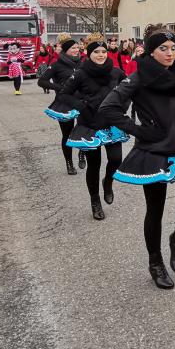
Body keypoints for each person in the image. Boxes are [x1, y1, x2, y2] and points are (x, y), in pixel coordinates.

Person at [98, 25, 175, 290]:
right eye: (163, 48)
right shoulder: (138, 77)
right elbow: (108, 107)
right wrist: (137, 130)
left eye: (173, 48)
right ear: (151, 51)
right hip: (152, 150)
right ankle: (155, 262)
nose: (170, 53)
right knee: (155, 209)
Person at [60, 35, 126, 218]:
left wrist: (122, 108)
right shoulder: (80, 73)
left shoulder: (116, 72)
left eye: (104, 51)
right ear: (89, 54)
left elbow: (129, 91)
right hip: (89, 125)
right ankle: (95, 201)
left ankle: (108, 182)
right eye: (96, 51)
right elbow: (64, 94)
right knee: (94, 165)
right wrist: (81, 106)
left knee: (116, 159)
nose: (101, 54)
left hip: (111, 124)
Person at [41, 38, 84, 175]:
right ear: (66, 50)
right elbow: (42, 81)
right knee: (67, 134)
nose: (76, 50)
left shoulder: (83, 63)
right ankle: (69, 163)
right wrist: (60, 87)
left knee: (85, 130)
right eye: (73, 48)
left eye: (77, 48)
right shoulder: (57, 64)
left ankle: (82, 153)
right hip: (65, 103)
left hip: (82, 101)